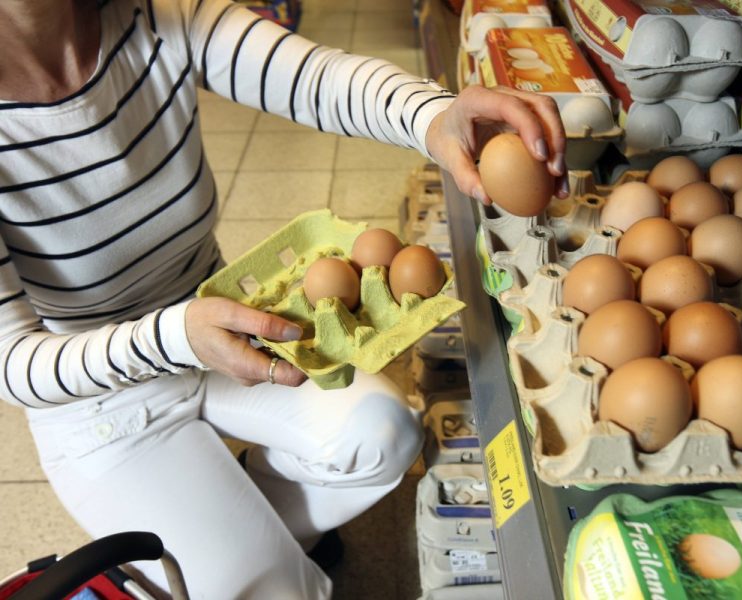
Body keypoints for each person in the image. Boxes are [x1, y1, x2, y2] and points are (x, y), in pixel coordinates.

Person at [0, 0, 567, 597]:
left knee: (385, 435)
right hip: (100, 403)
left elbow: (318, 79)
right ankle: (219, 541)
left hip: (221, 326)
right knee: (264, 587)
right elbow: (12, 364)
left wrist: (433, 115)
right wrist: (173, 335)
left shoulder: (154, 15)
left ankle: (231, 515)